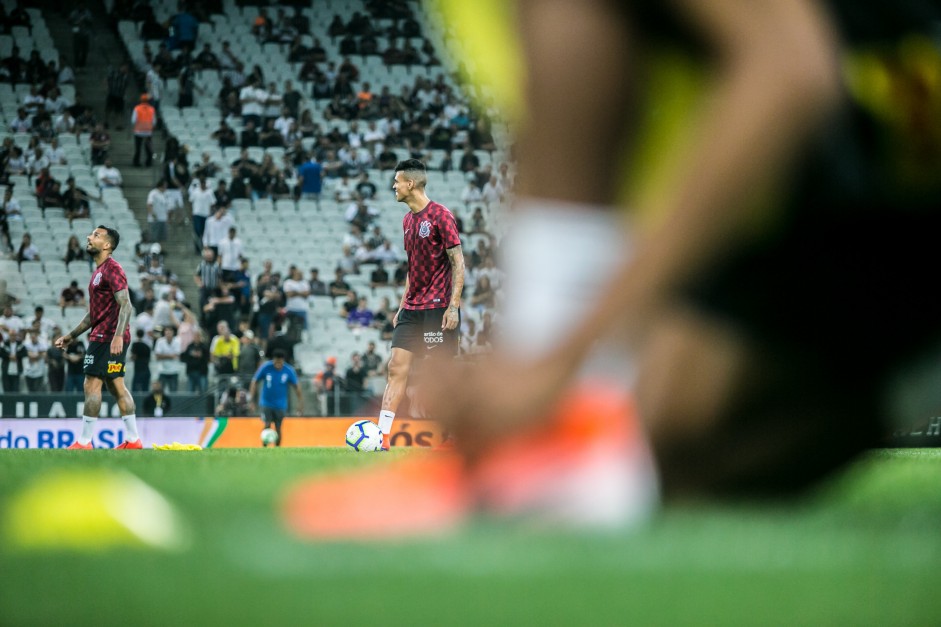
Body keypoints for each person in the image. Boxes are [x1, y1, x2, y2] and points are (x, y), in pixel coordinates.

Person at [375, 159, 464, 449]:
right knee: (395, 366)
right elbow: (413, 269)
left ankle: (452, 437)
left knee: (441, 374)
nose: (394, 186)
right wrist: (402, 306)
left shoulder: (441, 215)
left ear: (410, 184)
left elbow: (458, 262)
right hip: (412, 309)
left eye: (397, 181)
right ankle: (382, 437)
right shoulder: (407, 221)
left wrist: (453, 306)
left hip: (438, 309)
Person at [54, 226, 141, 449]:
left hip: (107, 338)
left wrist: (117, 336)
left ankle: (84, 442)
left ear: (107, 245)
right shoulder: (99, 271)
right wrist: (71, 336)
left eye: (96, 235)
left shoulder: (112, 268)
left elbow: (126, 305)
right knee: (117, 387)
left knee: (91, 384)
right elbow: (95, 313)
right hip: (106, 336)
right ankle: (133, 440)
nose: (89, 237)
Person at [249, 348, 303, 447]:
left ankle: (277, 449)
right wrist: (251, 400)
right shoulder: (266, 367)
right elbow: (254, 381)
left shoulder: (288, 370)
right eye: (276, 361)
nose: (278, 364)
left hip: (281, 405)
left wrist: (300, 403)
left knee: (278, 428)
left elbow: (297, 386)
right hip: (266, 403)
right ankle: (264, 448)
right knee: (267, 425)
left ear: (283, 360)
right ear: (273, 359)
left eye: (280, 362)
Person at [131, 93, 156, 167]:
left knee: (138, 148)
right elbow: (154, 121)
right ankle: (148, 162)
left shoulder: (137, 108)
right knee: (148, 147)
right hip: (148, 132)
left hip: (138, 131)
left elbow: (133, 120)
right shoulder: (152, 109)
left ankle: (136, 162)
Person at [129, 328, 152, 392]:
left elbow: (134, 356)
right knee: (145, 389)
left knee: (135, 390)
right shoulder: (147, 346)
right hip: (146, 369)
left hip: (138, 370)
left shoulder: (135, 345)